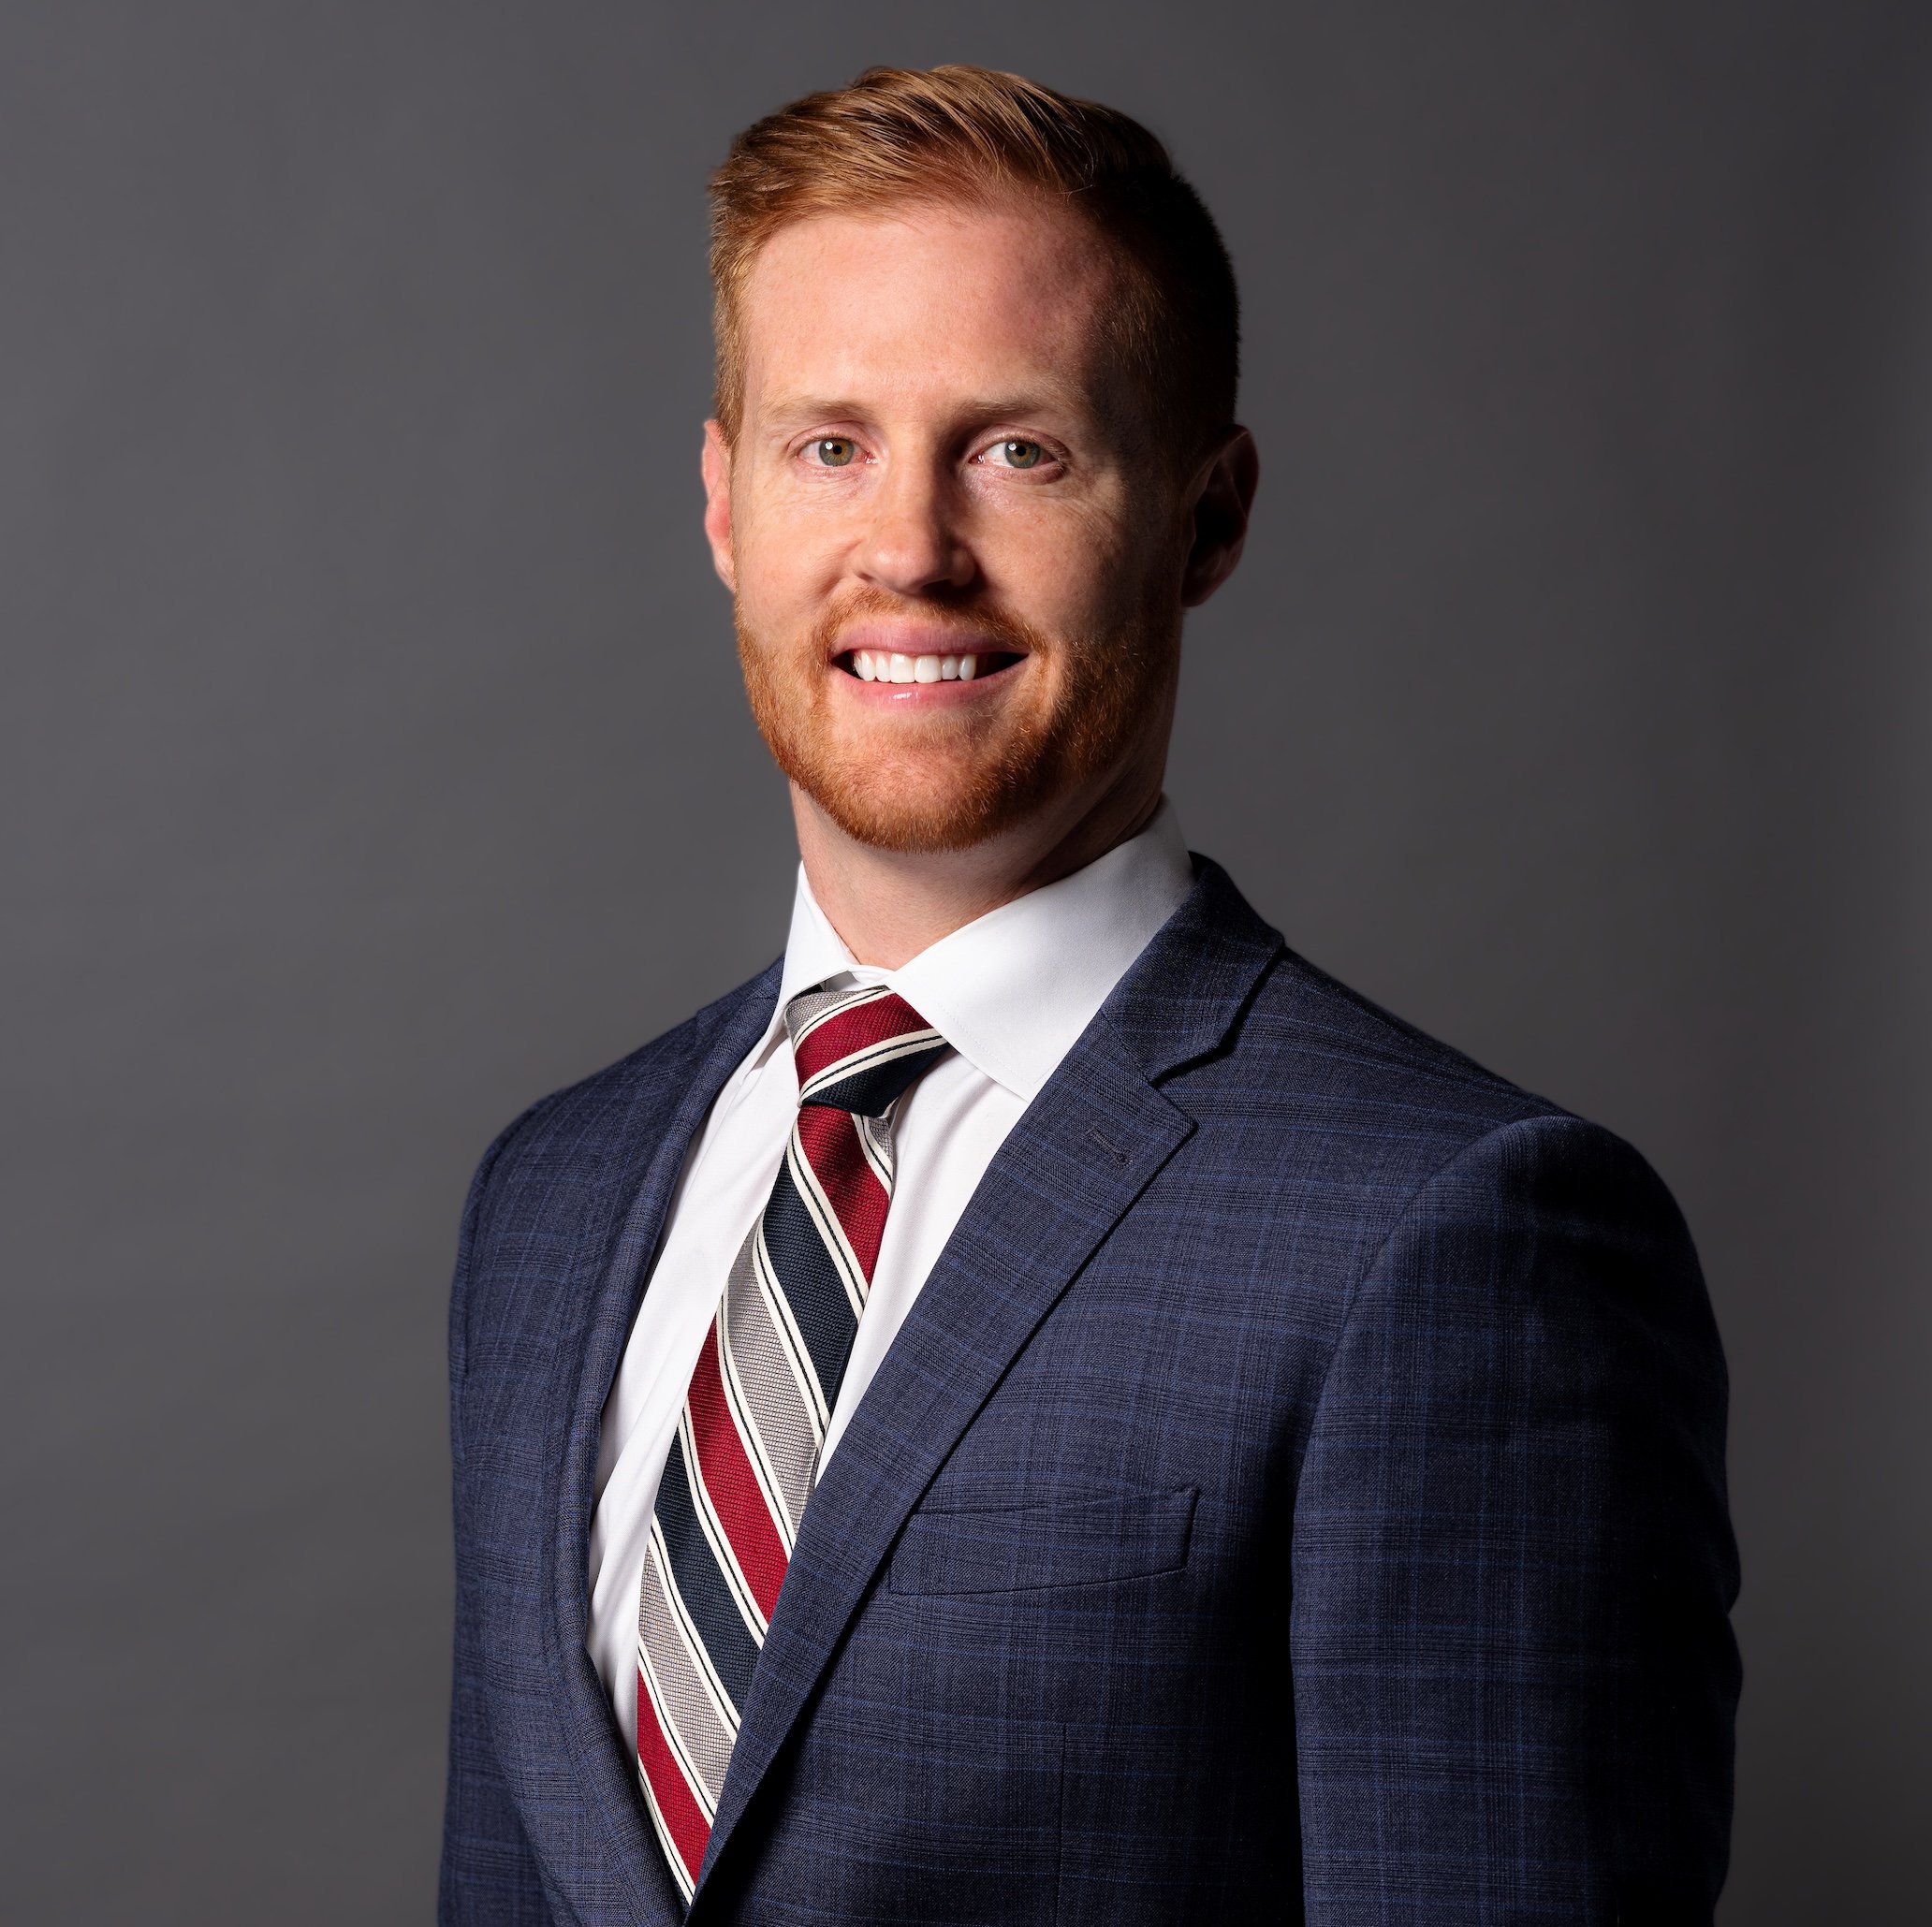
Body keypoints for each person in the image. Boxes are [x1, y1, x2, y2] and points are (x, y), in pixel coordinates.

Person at [439, 64, 1739, 1927]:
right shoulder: (549, 1203)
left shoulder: (1456, 1232)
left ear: (1206, 517)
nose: (909, 547)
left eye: (1018, 448)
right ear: (724, 503)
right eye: (831, 445)